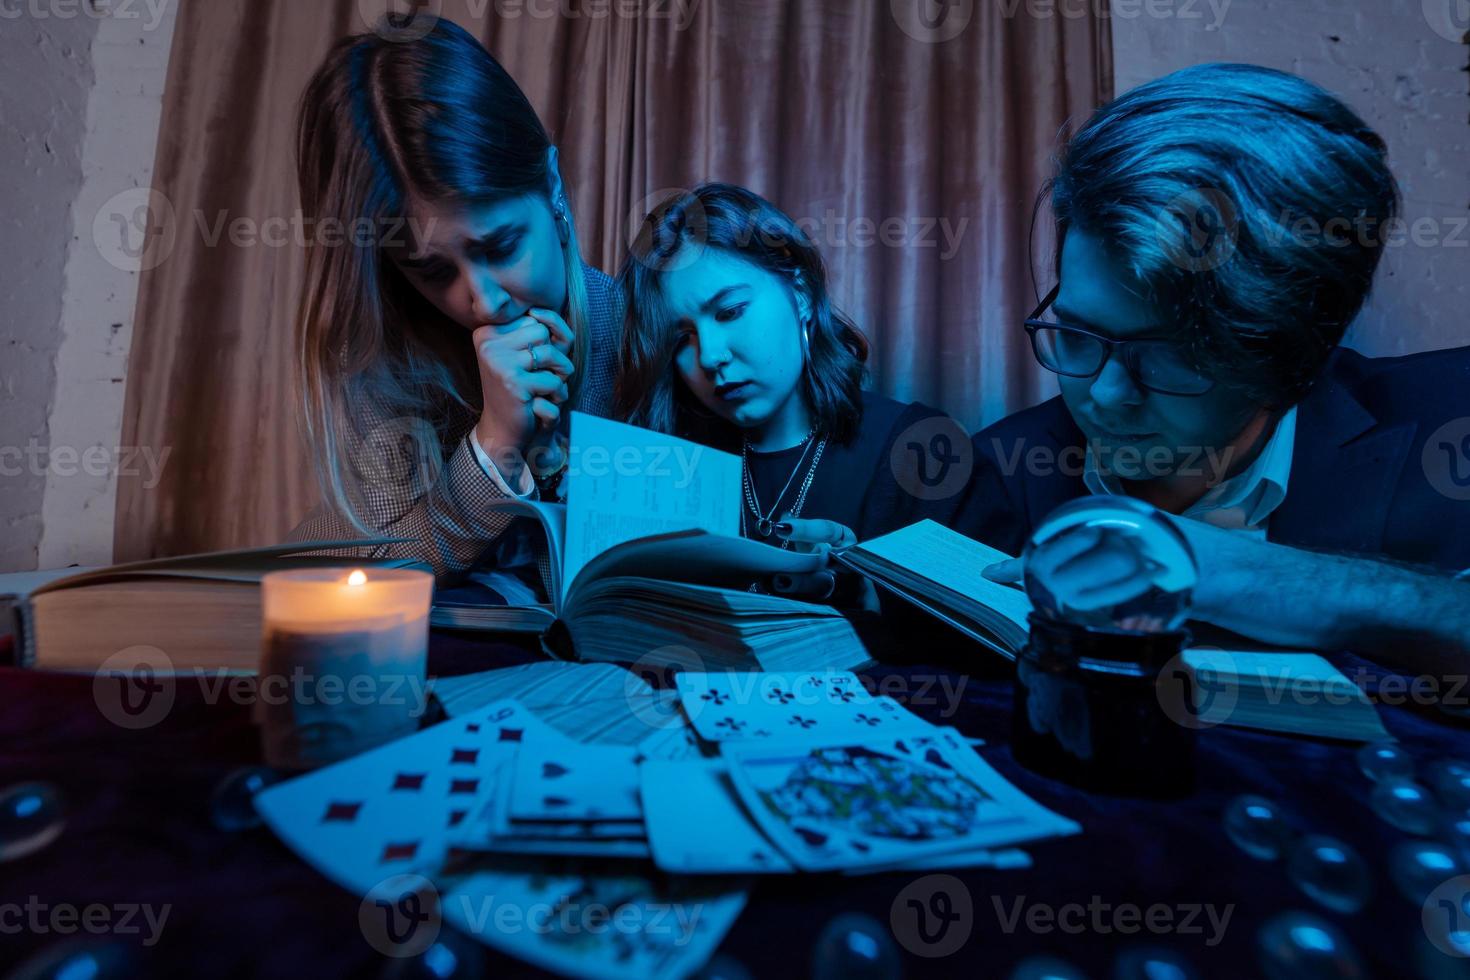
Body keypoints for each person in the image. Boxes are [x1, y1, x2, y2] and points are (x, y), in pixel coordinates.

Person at [954, 63, 1470, 678]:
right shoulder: (996, 472)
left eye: (1172, 352)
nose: (1106, 394)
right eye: (1077, 334)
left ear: (1296, 349)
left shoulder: (1452, 424)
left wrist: (1255, 575)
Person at [287, 19, 622, 587]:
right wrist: (495, 446)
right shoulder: (383, 364)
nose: (483, 301)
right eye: (433, 271)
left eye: (501, 245)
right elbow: (353, 571)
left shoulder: (652, 329)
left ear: (554, 186)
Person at [617, 183, 970, 600]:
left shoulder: (921, 451)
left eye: (730, 312)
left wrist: (870, 600)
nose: (710, 356)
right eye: (681, 339)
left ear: (800, 293)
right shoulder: (667, 468)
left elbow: (997, 646)